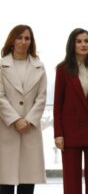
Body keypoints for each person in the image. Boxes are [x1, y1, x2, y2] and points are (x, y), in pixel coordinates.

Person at [53, 28, 88, 194]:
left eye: (86, 41)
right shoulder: (62, 69)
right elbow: (58, 104)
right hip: (70, 132)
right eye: (79, 41)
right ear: (72, 44)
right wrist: (58, 134)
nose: (83, 44)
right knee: (71, 182)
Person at [0, 25, 47, 194]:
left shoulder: (39, 67)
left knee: (27, 184)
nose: (23, 41)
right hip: (6, 130)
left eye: (27, 38)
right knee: (4, 184)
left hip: (30, 130)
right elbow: (0, 96)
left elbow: (41, 98)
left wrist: (28, 120)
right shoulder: (1, 65)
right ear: (12, 41)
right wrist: (15, 120)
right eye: (19, 37)